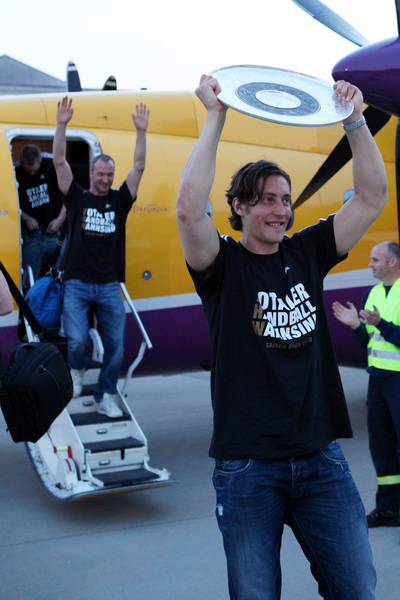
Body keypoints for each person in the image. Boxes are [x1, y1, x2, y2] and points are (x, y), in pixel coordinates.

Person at [176, 73, 388, 599]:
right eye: (267, 200)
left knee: (358, 589)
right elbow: (188, 209)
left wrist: (355, 122)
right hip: (248, 468)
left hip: (321, 458)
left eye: (286, 199)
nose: (281, 210)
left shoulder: (308, 252)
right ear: (240, 207)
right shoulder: (222, 267)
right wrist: (216, 116)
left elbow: (371, 197)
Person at [53, 96, 149, 419]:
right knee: (77, 341)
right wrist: (61, 125)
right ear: (92, 172)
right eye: (101, 174)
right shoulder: (77, 199)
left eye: (110, 175)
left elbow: (138, 167)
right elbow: (59, 162)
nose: (106, 179)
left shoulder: (120, 201)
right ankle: (76, 371)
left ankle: (106, 394)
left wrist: (141, 132)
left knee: (116, 347)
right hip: (77, 283)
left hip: (109, 285)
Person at [333, 241, 400, 529]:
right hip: (378, 380)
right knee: (382, 447)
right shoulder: (370, 294)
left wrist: (380, 323)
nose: (370, 264)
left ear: (392, 262)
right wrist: (356, 326)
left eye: (375, 259)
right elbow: (367, 343)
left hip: (398, 380)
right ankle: (388, 508)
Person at [15, 144, 67, 282]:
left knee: (62, 275)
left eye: (34, 170)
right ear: (22, 162)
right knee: (30, 277)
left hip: (55, 232)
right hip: (32, 236)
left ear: (40, 161)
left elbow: (70, 196)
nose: (32, 174)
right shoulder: (15, 171)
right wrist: (25, 217)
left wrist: (59, 220)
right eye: (28, 170)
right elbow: (8, 202)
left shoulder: (51, 165)